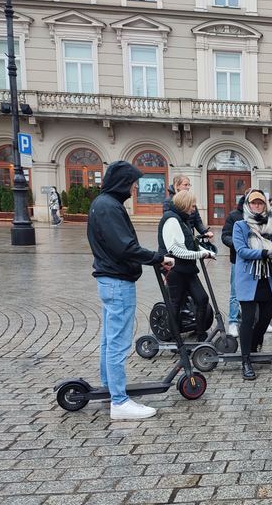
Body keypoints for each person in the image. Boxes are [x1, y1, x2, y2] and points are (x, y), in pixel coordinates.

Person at [87, 161, 174, 420]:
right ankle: (119, 402)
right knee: (118, 343)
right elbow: (125, 247)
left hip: (110, 279)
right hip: (117, 281)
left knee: (109, 339)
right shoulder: (108, 207)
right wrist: (157, 258)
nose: (135, 187)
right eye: (133, 182)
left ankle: (109, 387)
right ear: (123, 182)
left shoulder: (103, 204)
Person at [233, 190, 272, 380]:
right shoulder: (240, 225)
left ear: (265, 205)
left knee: (265, 318)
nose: (257, 206)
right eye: (253, 203)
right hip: (249, 276)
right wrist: (264, 254)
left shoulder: (270, 224)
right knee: (247, 318)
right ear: (248, 204)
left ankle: (253, 348)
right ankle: (245, 359)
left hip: (267, 277)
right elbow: (242, 250)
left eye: (260, 203)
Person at [157, 191, 215, 345]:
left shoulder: (183, 220)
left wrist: (206, 252)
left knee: (202, 299)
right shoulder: (171, 220)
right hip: (174, 268)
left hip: (187, 268)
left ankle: (201, 336)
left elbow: (193, 244)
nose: (194, 209)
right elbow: (175, 250)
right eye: (193, 206)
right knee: (176, 304)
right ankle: (177, 341)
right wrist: (201, 255)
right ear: (185, 205)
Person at [221, 195, 245, 337]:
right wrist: (237, 245)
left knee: (256, 293)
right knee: (235, 293)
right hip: (237, 259)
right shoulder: (234, 215)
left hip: (256, 261)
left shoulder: (260, 216)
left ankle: (260, 321)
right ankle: (232, 322)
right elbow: (225, 235)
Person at [163, 174, 213, 239]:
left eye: (189, 185)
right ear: (177, 185)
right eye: (185, 185)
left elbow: (197, 222)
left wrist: (205, 232)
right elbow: (169, 222)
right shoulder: (169, 201)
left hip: (190, 237)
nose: (188, 187)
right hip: (176, 238)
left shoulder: (190, 199)